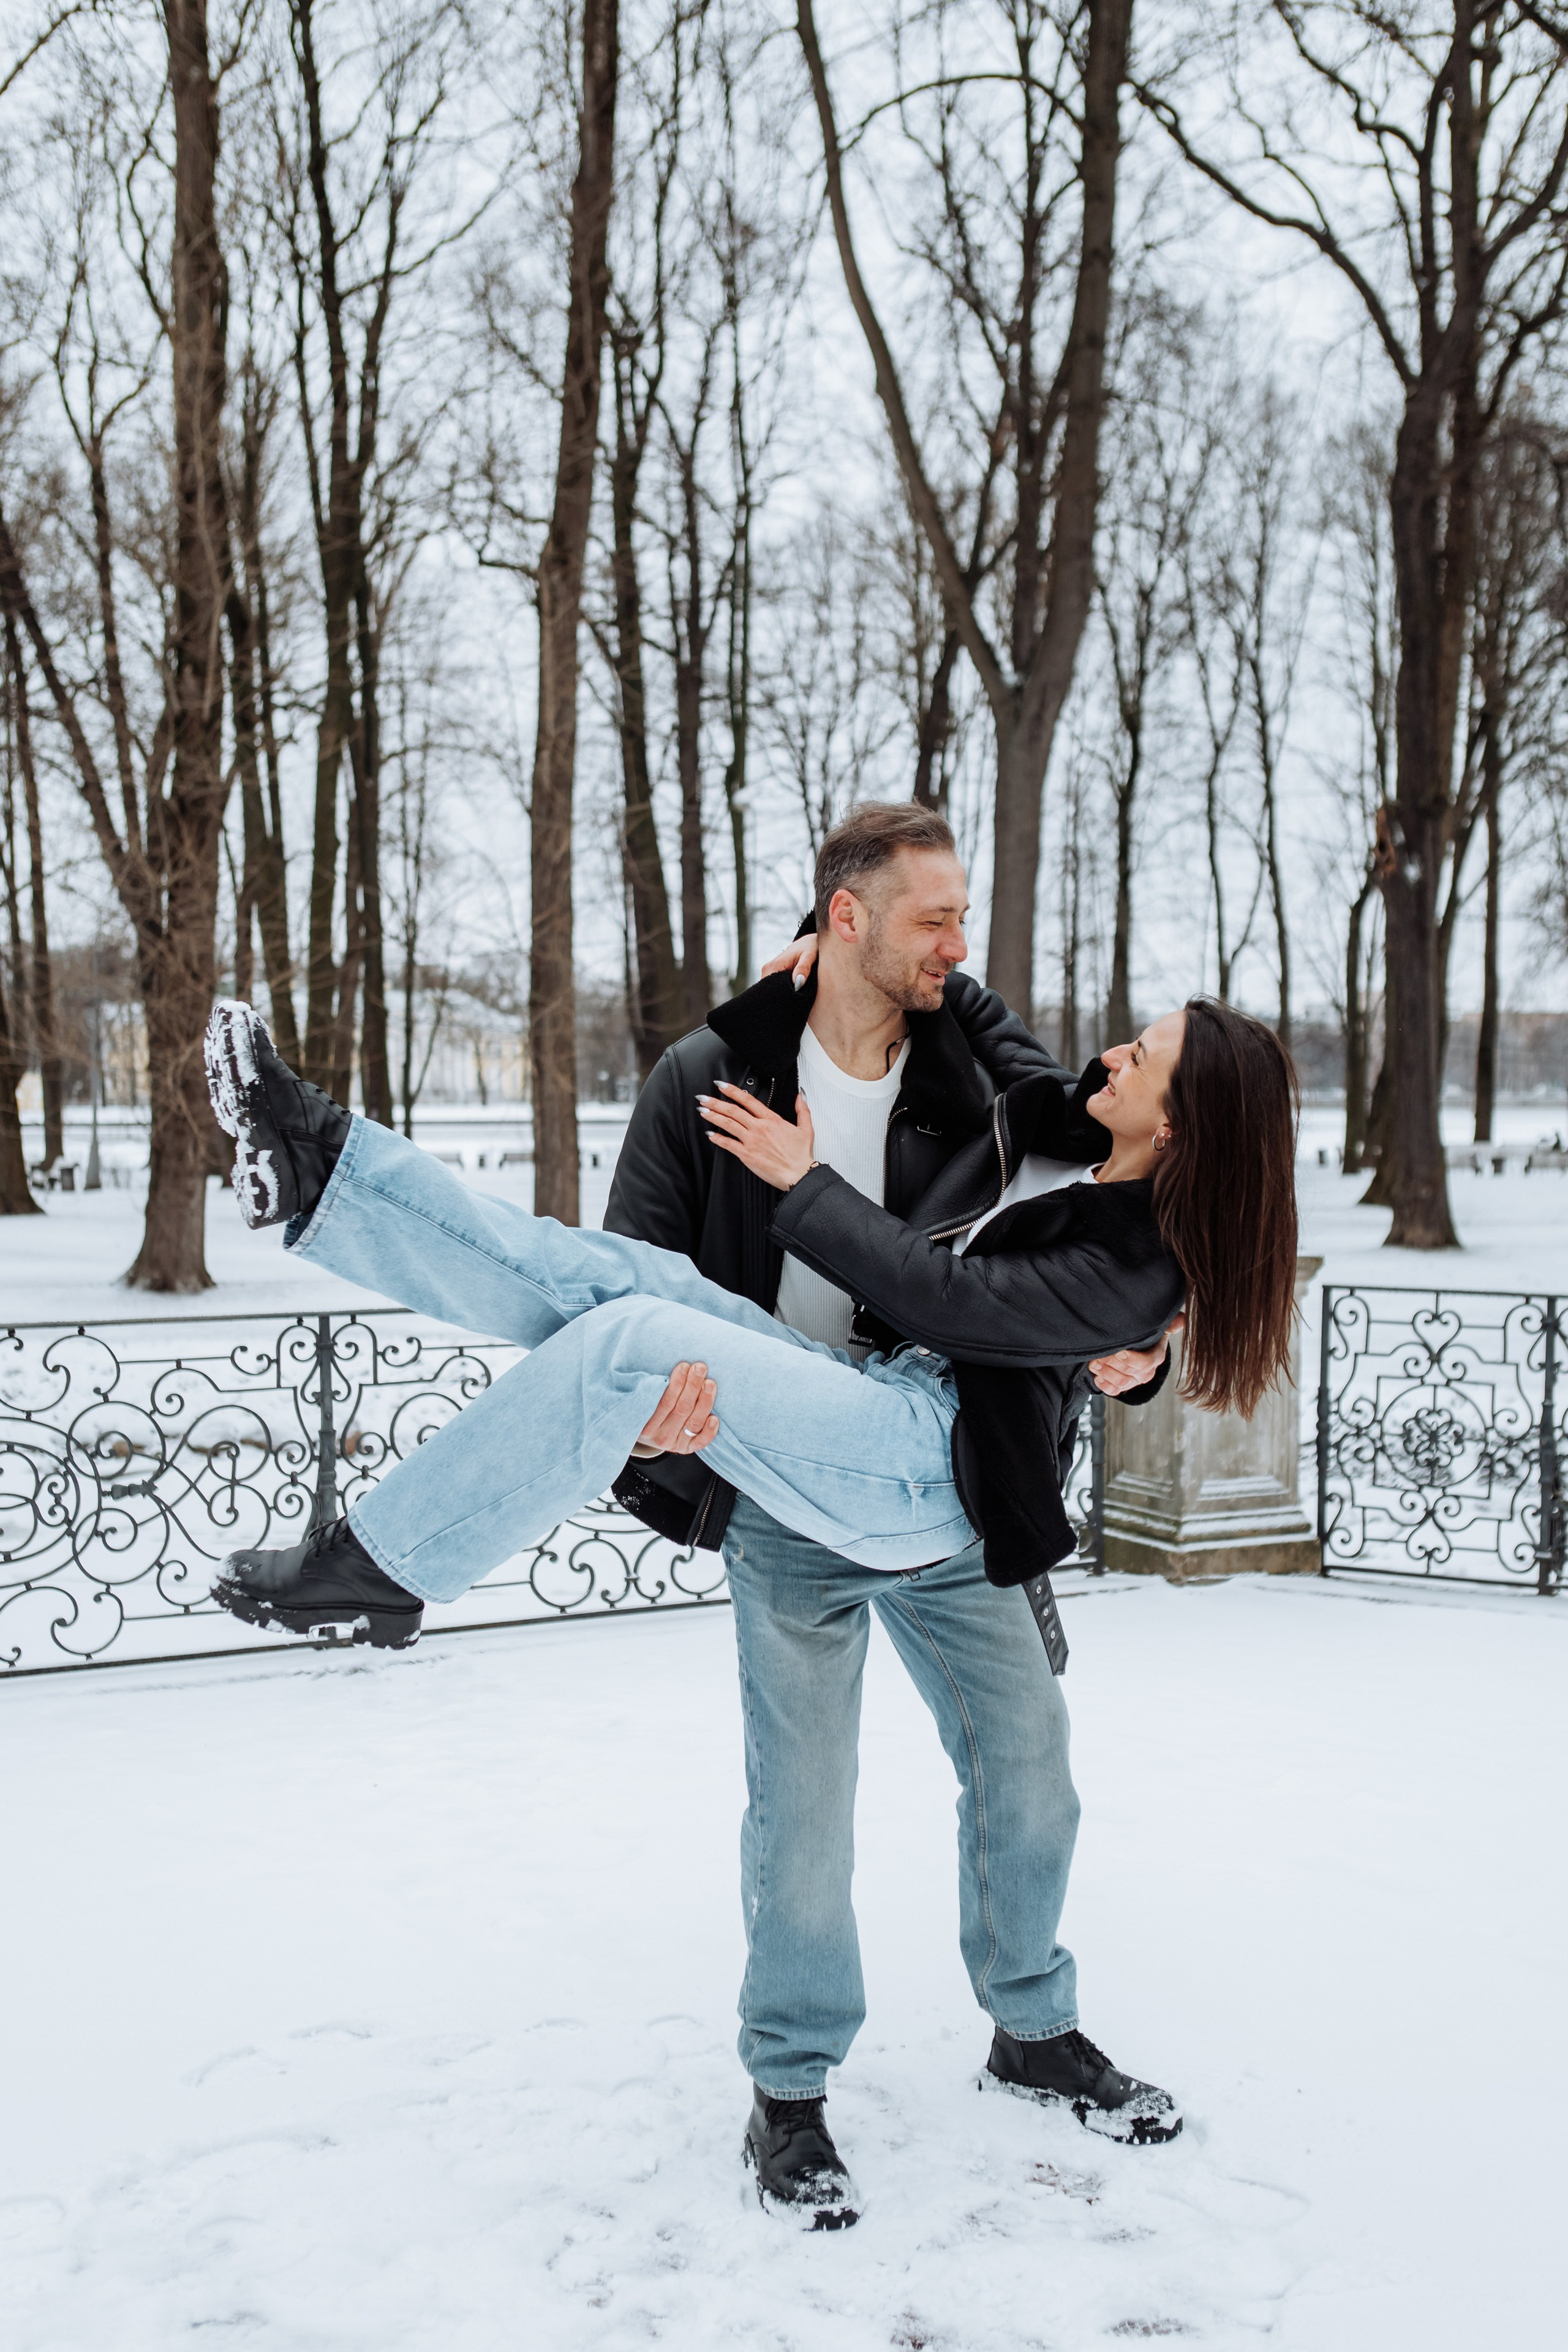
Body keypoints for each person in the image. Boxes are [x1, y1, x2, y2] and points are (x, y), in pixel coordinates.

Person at [203, 807, 1299, 2226]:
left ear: (1178, 1121)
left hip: (943, 1489)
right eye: (932, 920)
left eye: (1141, 1056)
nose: (1105, 1056)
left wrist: (815, 1187)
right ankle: (324, 1169)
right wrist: (658, 1428)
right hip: (798, 1462)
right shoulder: (736, 1072)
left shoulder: (1087, 1196)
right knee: (619, 1303)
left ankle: (1032, 2031)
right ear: (846, 919)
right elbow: (641, 1243)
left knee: (1029, 1779)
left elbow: (965, 1303)